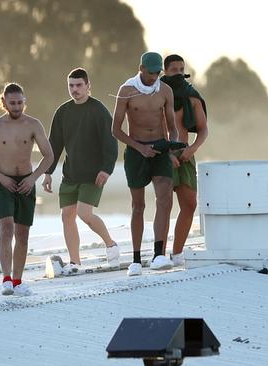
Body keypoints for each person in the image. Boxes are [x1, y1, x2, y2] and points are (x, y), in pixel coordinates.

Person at [0, 83, 54, 296]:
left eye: (20, 102)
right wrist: (0, 177)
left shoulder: (34, 125)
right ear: (4, 103)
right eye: (12, 103)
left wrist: (33, 178)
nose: (17, 107)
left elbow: (49, 156)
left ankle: (18, 280)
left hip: (26, 182)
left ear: (24, 102)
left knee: (23, 233)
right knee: (6, 228)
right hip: (2, 183)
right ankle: (7, 279)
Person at [43, 68, 120, 273]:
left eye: (79, 85)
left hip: (93, 174)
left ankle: (111, 244)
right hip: (70, 174)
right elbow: (55, 144)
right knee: (67, 215)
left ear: (88, 86)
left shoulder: (98, 110)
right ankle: (75, 262)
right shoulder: (63, 112)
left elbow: (110, 143)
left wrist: (106, 169)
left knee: (85, 213)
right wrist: (48, 172)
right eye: (71, 85)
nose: (75, 89)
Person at [112, 52, 180, 276]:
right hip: (136, 150)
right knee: (138, 206)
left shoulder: (165, 91)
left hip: (160, 149)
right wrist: (140, 148)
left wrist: (171, 147)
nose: (154, 76)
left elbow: (172, 126)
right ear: (141, 68)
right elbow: (116, 130)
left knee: (165, 199)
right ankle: (136, 260)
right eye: (151, 72)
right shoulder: (127, 91)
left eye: (158, 72)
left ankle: (159, 254)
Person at [160, 54, 208, 266]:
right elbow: (150, 128)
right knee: (164, 205)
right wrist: (167, 154)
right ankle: (158, 255)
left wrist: (193, 148)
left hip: (185, 153)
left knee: (189, 204)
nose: (178, 73)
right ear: (165, 71)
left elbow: (203, 130)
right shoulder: (156, 95)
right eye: (174, 70)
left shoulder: (192, 96)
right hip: (162, 154)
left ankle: (177, 253)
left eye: (181, 69)